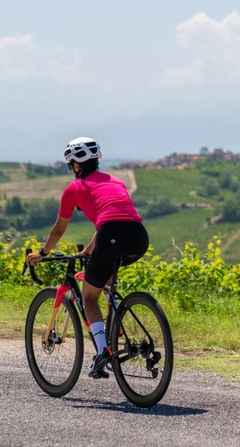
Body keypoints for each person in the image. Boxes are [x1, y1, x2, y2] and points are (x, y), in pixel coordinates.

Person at [26, 137, 148, 379]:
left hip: (110, 235)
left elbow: (59, 229)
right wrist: (88, 251)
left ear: (76, 165)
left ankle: (103, 350)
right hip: (138, 236)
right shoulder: (116, 181)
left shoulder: (74, 189)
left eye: (70, 164)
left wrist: (43, 253)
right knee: (106, 284)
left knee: (88, 297)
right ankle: (116, 330)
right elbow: (109, 223)